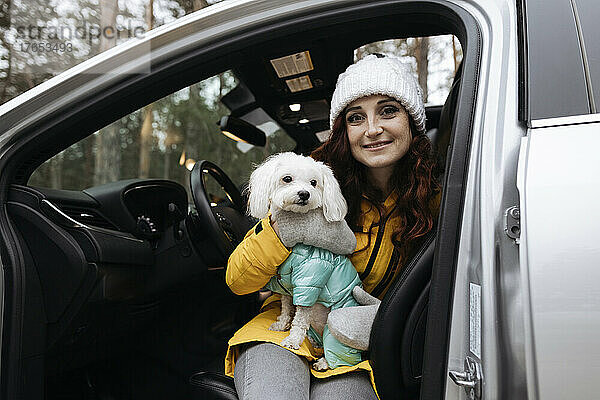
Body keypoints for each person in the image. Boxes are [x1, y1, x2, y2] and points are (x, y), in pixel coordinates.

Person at [224, 53, 441, 399]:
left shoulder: (439, 199)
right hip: (280, 330)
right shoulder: (311, 184)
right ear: (345, 129)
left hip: (350, 340)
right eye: (356, 117)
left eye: (388, 110)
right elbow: (238, 280)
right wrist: (282, 232)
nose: (372, 129)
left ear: (412, 121)